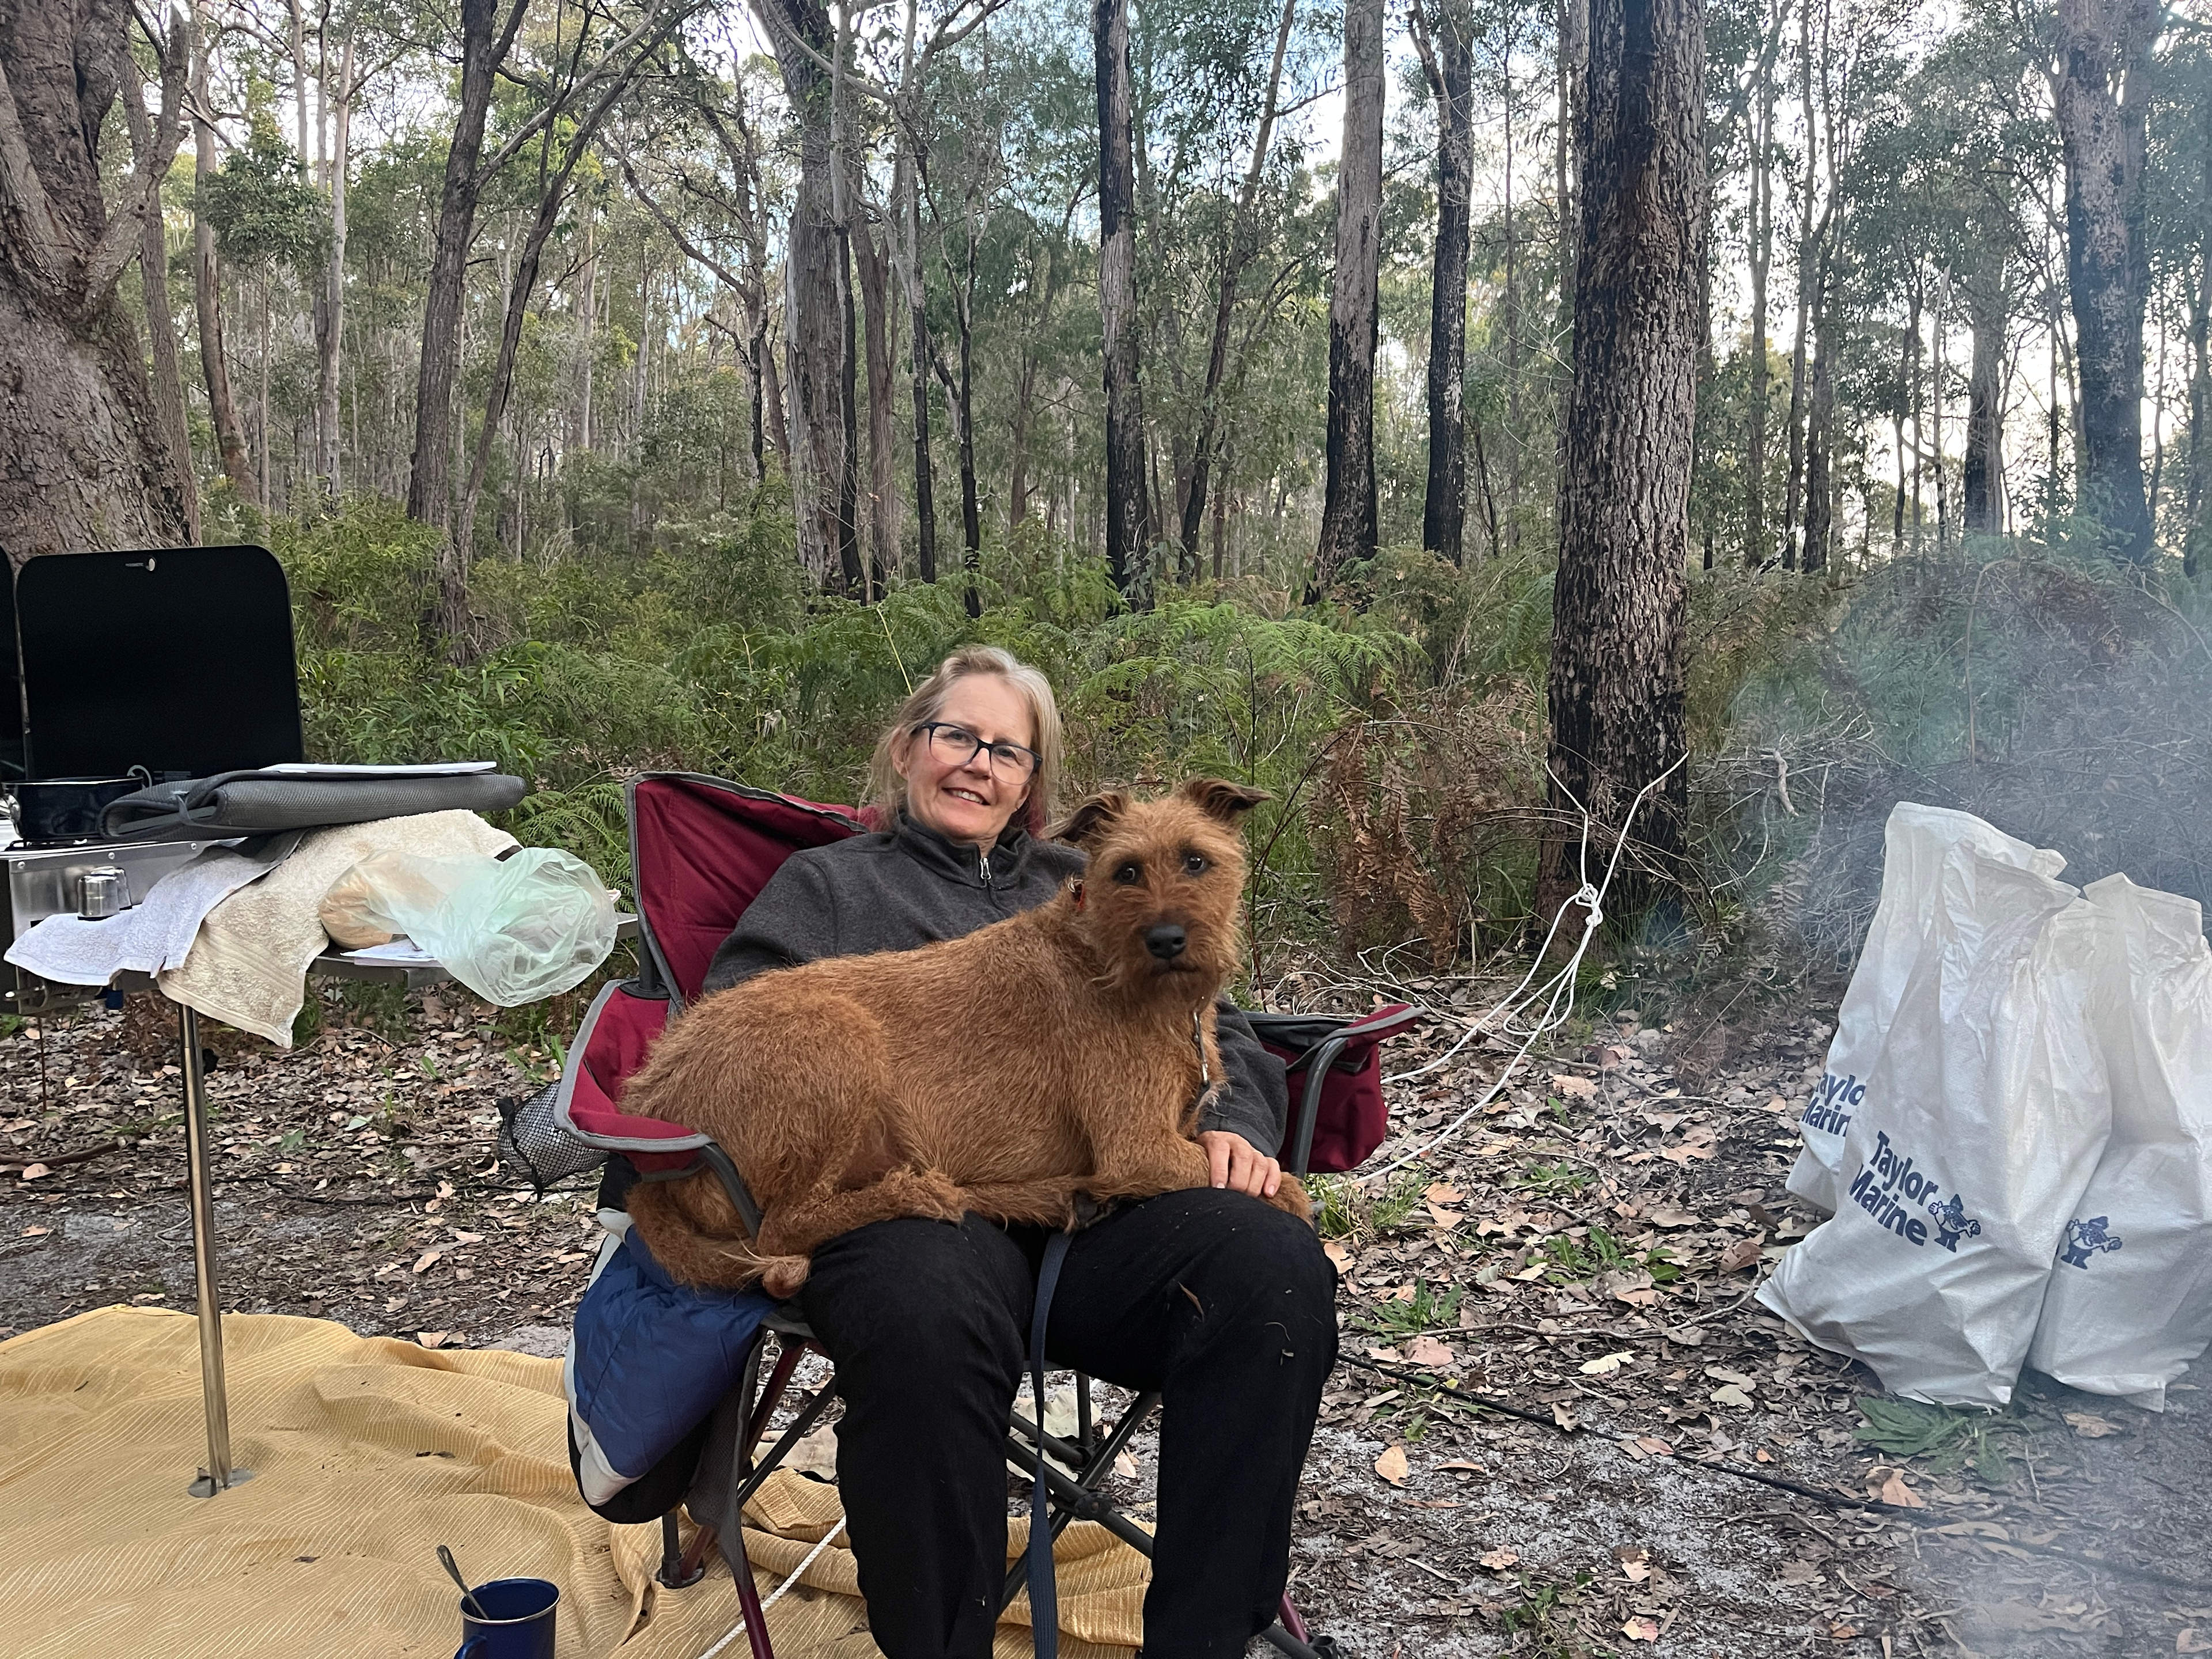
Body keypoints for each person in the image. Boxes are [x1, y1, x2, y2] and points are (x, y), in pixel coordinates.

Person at [632, 645, 1338, 1659]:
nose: (977, 763)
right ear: (908, 748)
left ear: (1030, 780)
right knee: (925, 1316)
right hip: (892, 1200)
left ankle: (1204, 1642)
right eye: (956, 735)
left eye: (1006, 749)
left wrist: (1237, 1130)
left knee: (1272, 1273)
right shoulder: (826, 885)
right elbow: (737, 1040)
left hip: (1085, 1219)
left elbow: (1225, 1032)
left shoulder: (1087, 881)